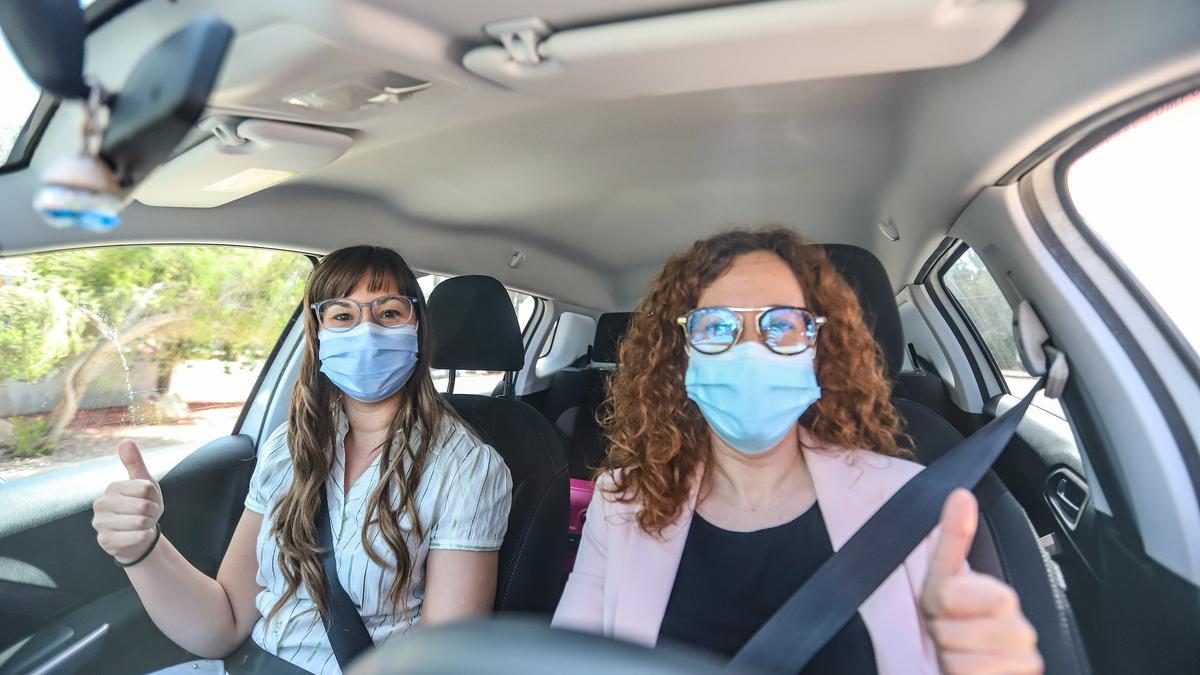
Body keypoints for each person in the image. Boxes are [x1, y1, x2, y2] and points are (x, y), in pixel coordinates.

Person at [553, 228, 1042, 674]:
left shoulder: (906, 501)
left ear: (818, 346)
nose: (751, 350)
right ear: (680, 354)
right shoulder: (620, 503)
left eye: (782, 325)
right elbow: (569, 662)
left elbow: (964, 641)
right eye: (716, 326)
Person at [91, 245, 513, 674]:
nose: (366, 330)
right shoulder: (286, 447)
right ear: (318, 333)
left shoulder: (468, 468)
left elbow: (440, 664)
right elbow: (226, 623)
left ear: (417, 328)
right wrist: (142, 547)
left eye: (388, 313)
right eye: (343, 316)